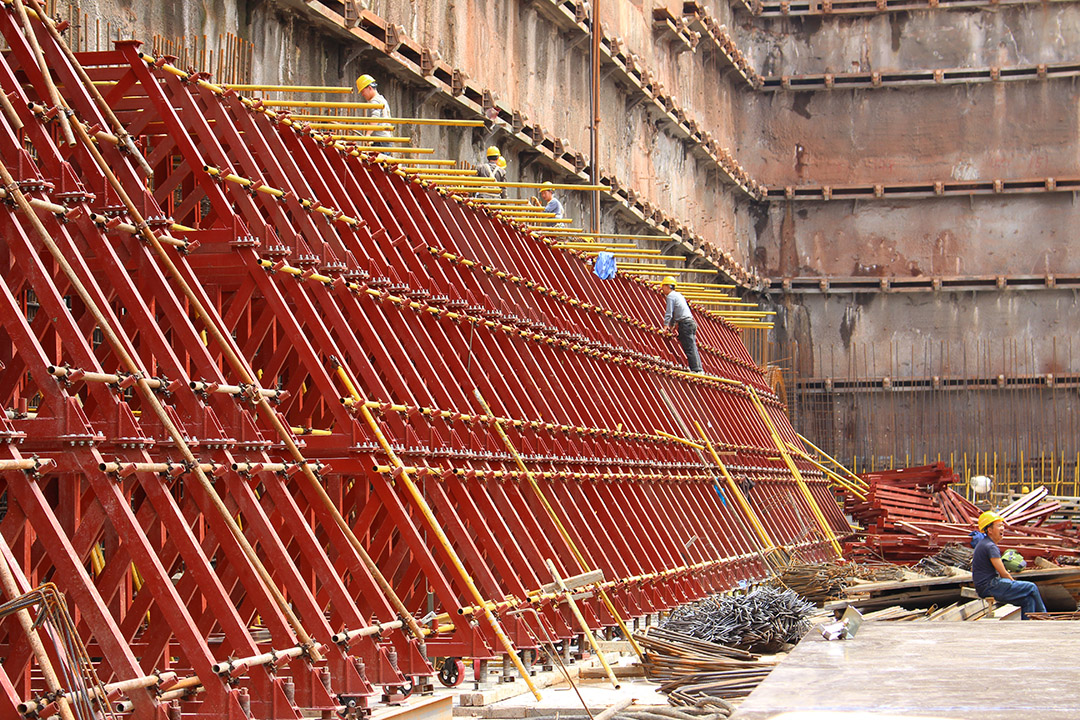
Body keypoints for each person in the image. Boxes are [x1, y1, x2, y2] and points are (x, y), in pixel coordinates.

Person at [972, 511, 1046, 619]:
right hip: (990, 586)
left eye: (1002, 525)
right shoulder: (990, 546)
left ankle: (1028, 627)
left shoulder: (984, 544)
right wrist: (1014, 584)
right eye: (999, 526)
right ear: (990, 530)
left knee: (1027, 600)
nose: (1002, 528)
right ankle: (1046, 618)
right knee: (1031, 587)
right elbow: (1003, 573)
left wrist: (1014, 586)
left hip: (985, 586)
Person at [660, 276, 702, 374]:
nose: (662, 289)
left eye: (663, 286)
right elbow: (676, 313)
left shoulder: (670, 296)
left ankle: (695, 369)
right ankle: (698, 368)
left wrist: (665, 326)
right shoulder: (678, 295)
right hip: (690, 322)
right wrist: (672, 326)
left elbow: (669, 313)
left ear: (667, 286)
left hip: (685, 324)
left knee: (689, 347)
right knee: (692, 346)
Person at [356, 74, 391, 146]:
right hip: (385, 140)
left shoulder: (375, 101)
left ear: (369, 88)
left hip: (380, 141)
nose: (362, 95)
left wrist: (368, 134)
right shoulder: (381, 99)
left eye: (363, 91)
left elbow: (375, 118)